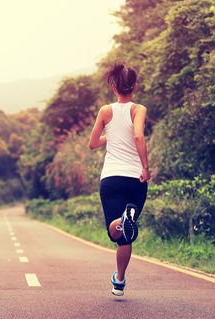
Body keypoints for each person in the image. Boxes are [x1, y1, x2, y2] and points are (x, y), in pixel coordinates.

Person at [88, 63, 150, 296]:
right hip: (135, 178)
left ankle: (120, 279)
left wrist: (109, 135)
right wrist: (145, 167)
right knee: (127, 233)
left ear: (114, 85)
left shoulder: (105, 111)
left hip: (112, 178)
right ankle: (120, 279)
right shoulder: (139, 109)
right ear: (134, 85)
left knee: (117, 233)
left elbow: (92, 143)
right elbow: (138, 135)